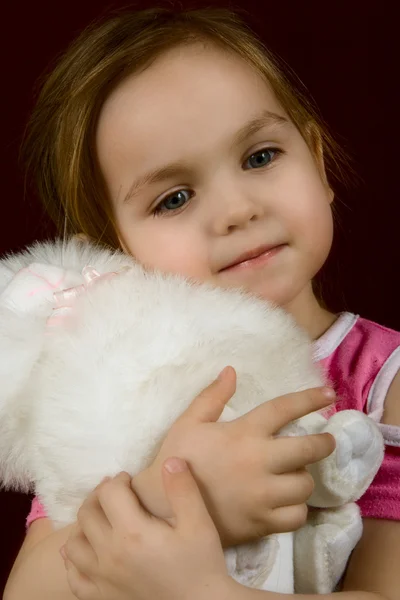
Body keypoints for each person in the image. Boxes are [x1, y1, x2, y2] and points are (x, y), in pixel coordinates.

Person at [3, 6, 399, 600]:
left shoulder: (381, 379)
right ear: (117, 250)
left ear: (317, 163)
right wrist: (165, 494)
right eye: (175, 198)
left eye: (260, 157)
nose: (237, 210)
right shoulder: (117, 382)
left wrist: (200, 590)